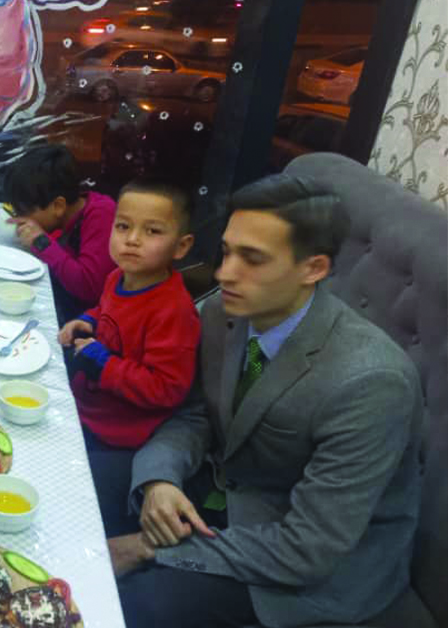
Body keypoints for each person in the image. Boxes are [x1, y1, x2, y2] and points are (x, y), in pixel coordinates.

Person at [109, 174, 422, 628]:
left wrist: (146, 547)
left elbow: (308, 549)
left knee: (139, 605)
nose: (224, 273)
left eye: (252, 259)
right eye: (227, 252)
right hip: (221, 485)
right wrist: (160, 479)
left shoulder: (373, 381)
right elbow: (197, 413)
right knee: (75, 477)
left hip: (307, 559)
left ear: (313, 268)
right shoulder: (222, 312)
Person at [57, 178, 200, 537]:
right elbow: (106, 309)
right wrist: (86, 319)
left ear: (181, 246)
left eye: (152, 231)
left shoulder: (173, 310)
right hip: (87, 408)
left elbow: (168, 388)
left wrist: (106, 364)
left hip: (119, 435)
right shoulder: (118, 277)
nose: (132, 239)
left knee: (67, 499)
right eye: (123, 226)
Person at [4, 145, 118, 324]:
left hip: (90, 321)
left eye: (23, 212)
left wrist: (41, 241)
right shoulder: (64, 217)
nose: (19, 218)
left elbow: (88, 287)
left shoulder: (102, 214)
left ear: (58, 206)